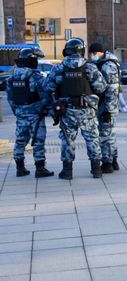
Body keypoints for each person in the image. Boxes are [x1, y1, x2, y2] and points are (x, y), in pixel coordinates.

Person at [42, 38, 107, 179]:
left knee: (67, 140)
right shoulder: (90, 67)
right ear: (82, 51)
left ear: (67, 51)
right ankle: (96, 170)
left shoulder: (58, 68)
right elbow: (101, 87)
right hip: (87, 111)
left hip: (66, 111)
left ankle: (67, 171)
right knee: (92, 139)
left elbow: (47, 87)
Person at [8, 47, 54, 178]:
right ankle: (40, 168)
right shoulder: (36, 76)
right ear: (31, 60)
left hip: (21, 114)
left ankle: (20, 168)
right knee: (38, 140)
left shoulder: (12, 77)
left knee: (20, 140)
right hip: (36, 115)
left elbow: (10, 98)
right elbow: (45, 96)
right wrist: (50, 112)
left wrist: (17, 111)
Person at [88, 43, 122, 173]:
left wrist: (107, 109)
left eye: (92, 54)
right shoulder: (108, 63)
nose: (91, 57)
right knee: (110, 133)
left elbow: (111, 90)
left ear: (96, 52)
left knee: (105, 134)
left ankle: (107, 163)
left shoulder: (108, 66)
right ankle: (113, 161)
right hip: (107, 105)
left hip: (107, 106)